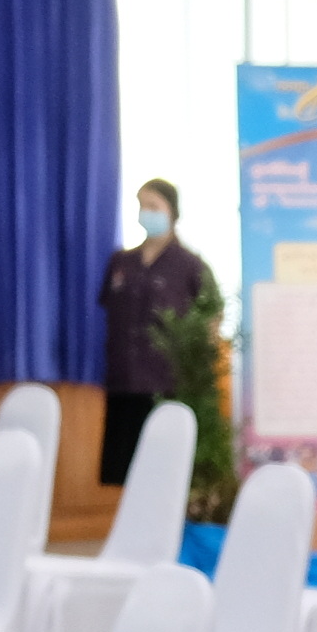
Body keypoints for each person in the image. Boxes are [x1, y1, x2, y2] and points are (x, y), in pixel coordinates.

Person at [94, 179, 207, 484]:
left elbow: (209, 319)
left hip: (163, 383)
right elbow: (107, 308)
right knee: (122, 469)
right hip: (122, 381)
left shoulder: (189, 265)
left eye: (154, 207)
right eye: (142, 206)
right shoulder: (122, 262)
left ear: (173, 212)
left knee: (160, 469)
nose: (147, 213)